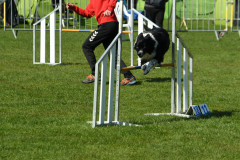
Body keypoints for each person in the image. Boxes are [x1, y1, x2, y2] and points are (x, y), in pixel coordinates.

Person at [66, 0, 137, 85]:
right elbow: (87, 13)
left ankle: (95, 74)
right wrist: (74, 8)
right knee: (113, 56)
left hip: (107, 24)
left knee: (87, 46)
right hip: (111, 25)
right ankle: (129, 77)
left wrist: (110, 8)